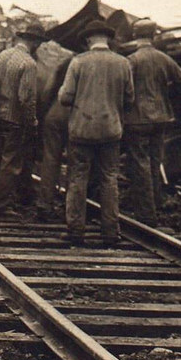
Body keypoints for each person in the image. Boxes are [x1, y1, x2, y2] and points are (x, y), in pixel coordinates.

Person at [58, 19, 134, 244]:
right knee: (109, 179)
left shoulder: (78, 62)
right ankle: (111, 232)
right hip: (111, 129)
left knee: (77, 178)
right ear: (108, 38)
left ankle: (75, 231)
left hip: (82, 129)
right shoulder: (123, 63)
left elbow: (65, 97)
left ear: (89, 39)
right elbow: (130, 98)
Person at [123, 20, 181, 225]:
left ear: (135, 36)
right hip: (162, 117)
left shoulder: (131, 60)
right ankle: (156, 202)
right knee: (155, 160)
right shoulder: (165, 59)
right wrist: (167, 92)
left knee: (139, 163)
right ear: (154, 36)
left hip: (137, 119)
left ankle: (146, 213)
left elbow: (124, 88)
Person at [0, 23, 47, 214]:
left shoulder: (2, 56)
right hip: (15, 119)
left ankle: (4, 198)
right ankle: (1, 205)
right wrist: (32, 121)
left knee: (1, 159)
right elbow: (26, 98)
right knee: (12, 163)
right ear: (34, 41)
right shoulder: (29, 63)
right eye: (38, 42)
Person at [36, 58, 72, 221]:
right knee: (77, 162)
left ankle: (45, 204)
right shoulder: (92, 64)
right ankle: (71, 206)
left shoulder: (65, 63)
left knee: (50, 159)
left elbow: (47, 92)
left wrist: (43, 114)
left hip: (55, 114)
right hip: (78, 117)